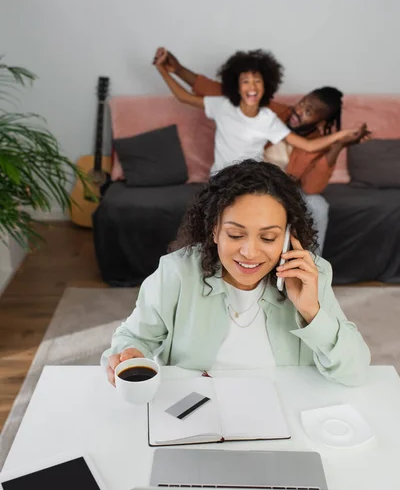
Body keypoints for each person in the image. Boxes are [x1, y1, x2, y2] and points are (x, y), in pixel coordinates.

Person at [103, 160, 370, 387]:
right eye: (235, 234)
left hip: (285, 416)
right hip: (195, 415)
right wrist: (130, 354)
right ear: (214, 230)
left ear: (289, 236)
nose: (249, 252)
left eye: (268, 238)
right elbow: (133, 338)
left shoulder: (311, 274)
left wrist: (312, 311)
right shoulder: (177, 272)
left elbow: (354, 372)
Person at [153, 48, 368, 250]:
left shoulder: (272, 121)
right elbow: (199, 93)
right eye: (302, 103)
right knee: (201, 224)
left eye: (309, 111)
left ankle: (306, 273)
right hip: (227, 181)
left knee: (312, 207)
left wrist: (339, 141)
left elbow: (310, 169)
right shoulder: (238, 106)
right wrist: (172, 69)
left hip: (263, 184)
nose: (299, 110)